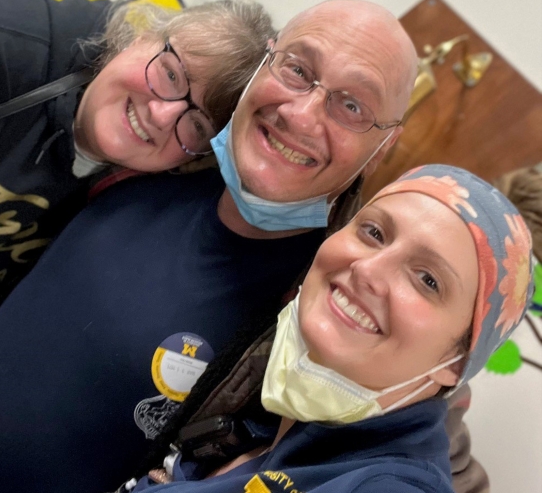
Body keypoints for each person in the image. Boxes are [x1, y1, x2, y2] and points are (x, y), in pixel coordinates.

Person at [0, 0, 427, 493]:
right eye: (296, 69)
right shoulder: (150, 165)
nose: (303, 114)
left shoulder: (313, 313)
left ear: (383, 145)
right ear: (262, 65)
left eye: (352, 105)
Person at [0, 0, 275, 397]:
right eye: (172, 74)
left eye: (196, 126)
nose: (162, 114)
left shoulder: (142, 205)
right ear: (141, 36)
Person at [120, 165, 534, 493]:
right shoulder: (272, 423)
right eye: (374, 232)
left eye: (427, 280)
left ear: (455, 363)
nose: (368, 270)